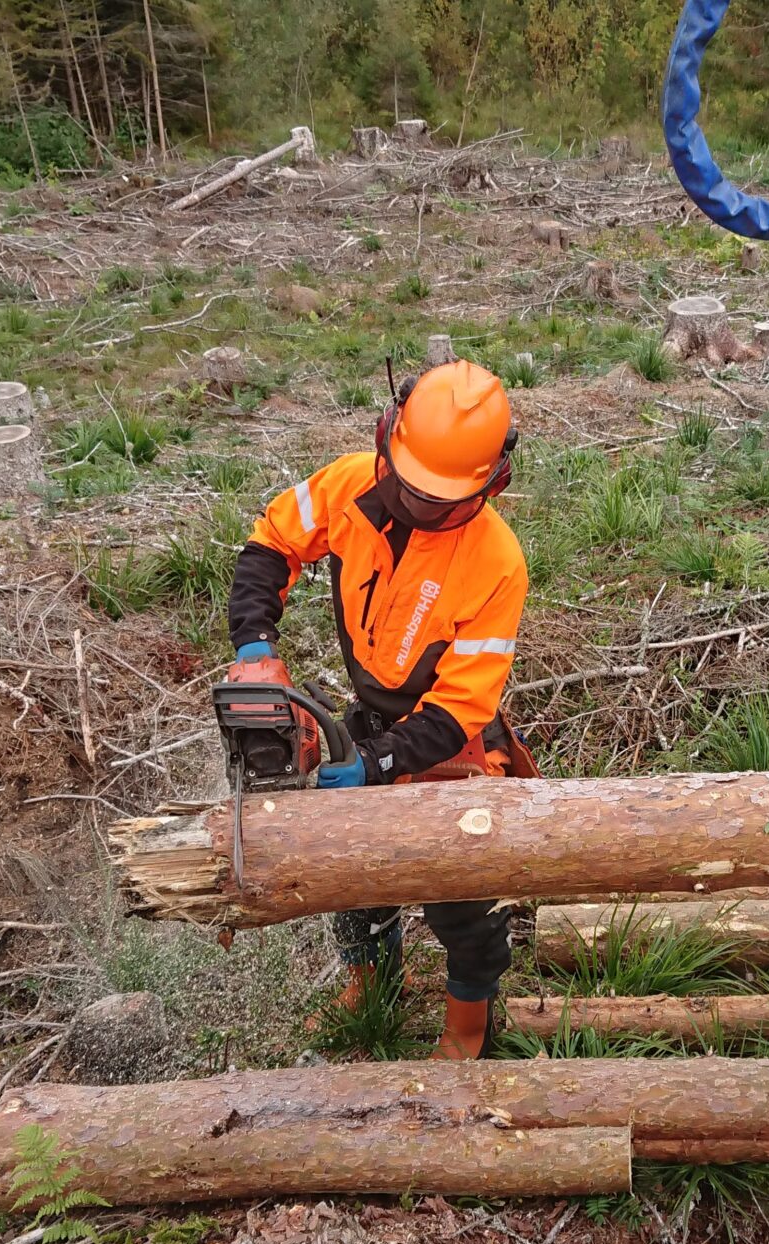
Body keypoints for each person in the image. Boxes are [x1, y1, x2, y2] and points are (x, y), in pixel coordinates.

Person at [224, 359, 536, 1060]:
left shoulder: (496, 562)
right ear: (387, 439)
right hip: (371, 706)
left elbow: (459, 707)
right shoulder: (349, 485)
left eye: (438, 500)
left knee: (462, 888)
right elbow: (272, 541)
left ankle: (468, 1027)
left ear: (491, 483)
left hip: (448, 736)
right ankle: (372, 984)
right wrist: (254, 646)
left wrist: (377, 762)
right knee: (349, 862)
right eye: (409, 487)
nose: (418, 505)